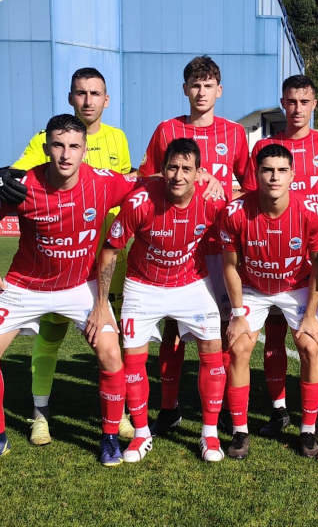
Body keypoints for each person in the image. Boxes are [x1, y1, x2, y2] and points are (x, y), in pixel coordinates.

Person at [0, 114, 137, 467]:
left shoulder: (104, 183)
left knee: (111, 355)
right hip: (25, 285)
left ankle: (110, 437)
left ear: (85, 151)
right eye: (58, 145)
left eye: (73, 146)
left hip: (81, 286)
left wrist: (204, 179)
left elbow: (149, 184)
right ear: (46, 149)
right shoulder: (23, 185)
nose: (65, 154)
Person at [0, 67, 136, 445]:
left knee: (109, 337)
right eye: (80, 93)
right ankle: (40, 415)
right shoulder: (47, 137)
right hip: (57, 262)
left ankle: (116, 416)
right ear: (71, 97)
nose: (87, 100)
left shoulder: (118, 138)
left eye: (95, 93)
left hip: (104, 261)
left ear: (106, 99)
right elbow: (16, 177)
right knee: (50, 334)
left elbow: (126, 186)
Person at [91, 138, 227, 463]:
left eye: (186, 169)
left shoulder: (212, 203)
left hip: (192, 284)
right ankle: (141, 434)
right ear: (162, 170)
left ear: (199, 174)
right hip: (143, 286)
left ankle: (209, 434)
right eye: (172, 167)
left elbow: (240, 231)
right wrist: (101, 303)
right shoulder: (140, 202)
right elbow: (111, 249)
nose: (178, 175)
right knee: (134, 360)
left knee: (213, 352)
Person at [139, 55, 250, 435]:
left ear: (219, 90)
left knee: (215, 329)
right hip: (177, 242)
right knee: (172, 329)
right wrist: (197, 175)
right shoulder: (166, 129)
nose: (201, 92)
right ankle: (168, 408)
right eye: (194, 85)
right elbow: (147, 176)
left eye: (208, 85)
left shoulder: (235, 133)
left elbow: (248, 184)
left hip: (219, 246)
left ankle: (212, 407)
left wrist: (227, 185)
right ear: (185, 89)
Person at [241, 75, 318, 439]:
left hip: (316, 255)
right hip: (270, 255)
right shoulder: (265, 147)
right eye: (291, 102)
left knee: (317, 335)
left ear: (314, 104)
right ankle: (279, 409)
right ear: (282, 103)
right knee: (273, 338)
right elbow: (251, 196)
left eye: (304, 102)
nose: (297, 109)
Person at [218, 144, 318, 459]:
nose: (274, 177)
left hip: (296, 286)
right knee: (239, 346)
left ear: (292, 174)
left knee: (310, 345)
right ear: (256, 174)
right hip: (253, 287)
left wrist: (310, 314)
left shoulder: (310, 211)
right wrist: (238, 314)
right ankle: (240, 431)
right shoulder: (235, 212)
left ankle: (308, 431)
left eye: (281, 170)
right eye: (267, 170)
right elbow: (230, 265)